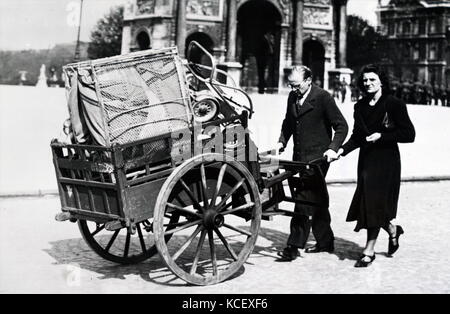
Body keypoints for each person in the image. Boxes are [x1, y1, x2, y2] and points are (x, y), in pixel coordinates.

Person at [336, 64, 415, 267]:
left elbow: (409, 134)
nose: (368, 83)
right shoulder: (359, 106)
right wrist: (341, 151)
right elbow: (357, 137)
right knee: (370, 202)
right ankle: (392, 229)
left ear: (381, 80)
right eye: (365, 80)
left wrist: (383, 136)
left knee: (374, 203)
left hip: (387, 161)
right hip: (367, 160)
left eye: (372, 79)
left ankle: (368, 251)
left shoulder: (394, 104)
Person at [276, 65, 348, 261]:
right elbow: (288, 122)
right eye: (290, 85)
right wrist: (282, 141)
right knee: (316, 198)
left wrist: (333, 148)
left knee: (303, 197)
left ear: (308, 81)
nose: (293, 90)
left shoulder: (323, 97)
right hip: (298, 155)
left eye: (296, 85)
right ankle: (325, 240)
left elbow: (341, 126)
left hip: (318, 157)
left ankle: (293, 245)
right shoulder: (293, 96)